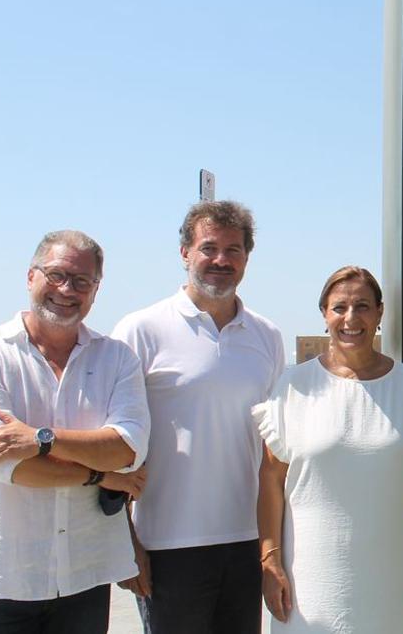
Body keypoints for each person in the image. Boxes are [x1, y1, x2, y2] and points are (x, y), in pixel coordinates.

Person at [111, 201, 285, 633]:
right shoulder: (140, 330)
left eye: (234, 249)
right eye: (209, 248)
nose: (221, 260)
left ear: (247, 257)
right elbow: (115, 447)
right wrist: (125, 544)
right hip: (168, 546)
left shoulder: (267, 335)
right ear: (185, 252)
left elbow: (276, 447)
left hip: (246, 542)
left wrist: (272, 547)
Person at [256, 266, 403, 633]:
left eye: (362, 306)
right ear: (325, 315)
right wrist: (270, 562)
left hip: (394, 580)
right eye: (339, 307)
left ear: (379, 313)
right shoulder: (293, 386)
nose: (351, 318)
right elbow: (270, 479)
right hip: (310, 583)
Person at [0, 230, 150, 633]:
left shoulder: (117, 358)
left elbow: (127, 449)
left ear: (96, 290)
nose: (66, 289)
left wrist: (41, 439)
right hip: (6, 577)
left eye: (81, 281)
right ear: (30, 277)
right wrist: (98, 474)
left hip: (85, 574)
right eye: (56, 275)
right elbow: (4, 465)